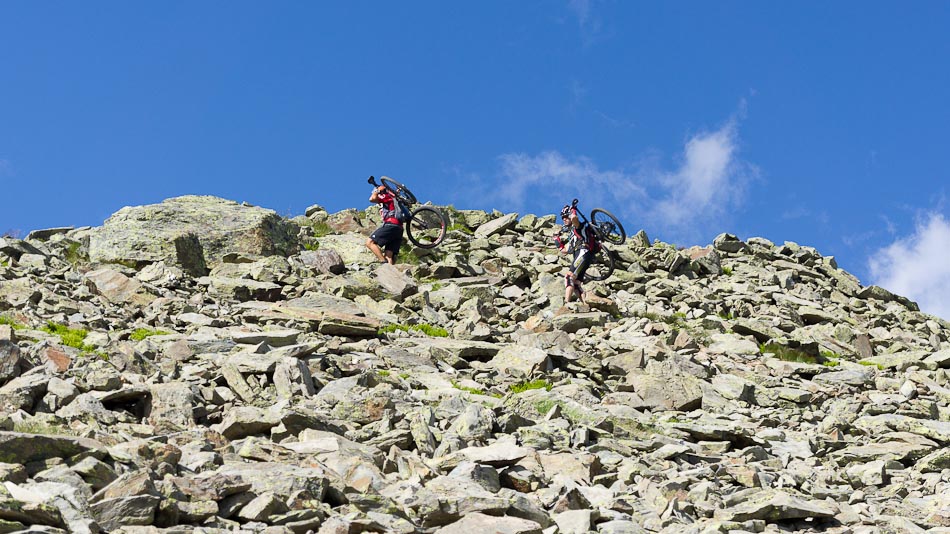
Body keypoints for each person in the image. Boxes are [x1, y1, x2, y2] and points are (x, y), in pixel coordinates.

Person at [556, 203, 591, 303]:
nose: (564, 219)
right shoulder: (572, 237)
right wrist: (556, 240)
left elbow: (575, 218)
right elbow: (564, 251)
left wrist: (572, 211)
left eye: (566, 217)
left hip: (583, 252)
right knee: (576, 283)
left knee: (568, 277)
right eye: (563, 218)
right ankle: (585, 304)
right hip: (583, 256)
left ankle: (566, 303)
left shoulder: (577, 227)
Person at [365, 179, 404, 264]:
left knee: (369, 242)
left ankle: (383, 262)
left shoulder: (387, 197)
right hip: (399, 229)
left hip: (391, 224)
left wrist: (377, 191)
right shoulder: (395, 198)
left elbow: (372, 199)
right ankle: (391, 273)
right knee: (389, 255)